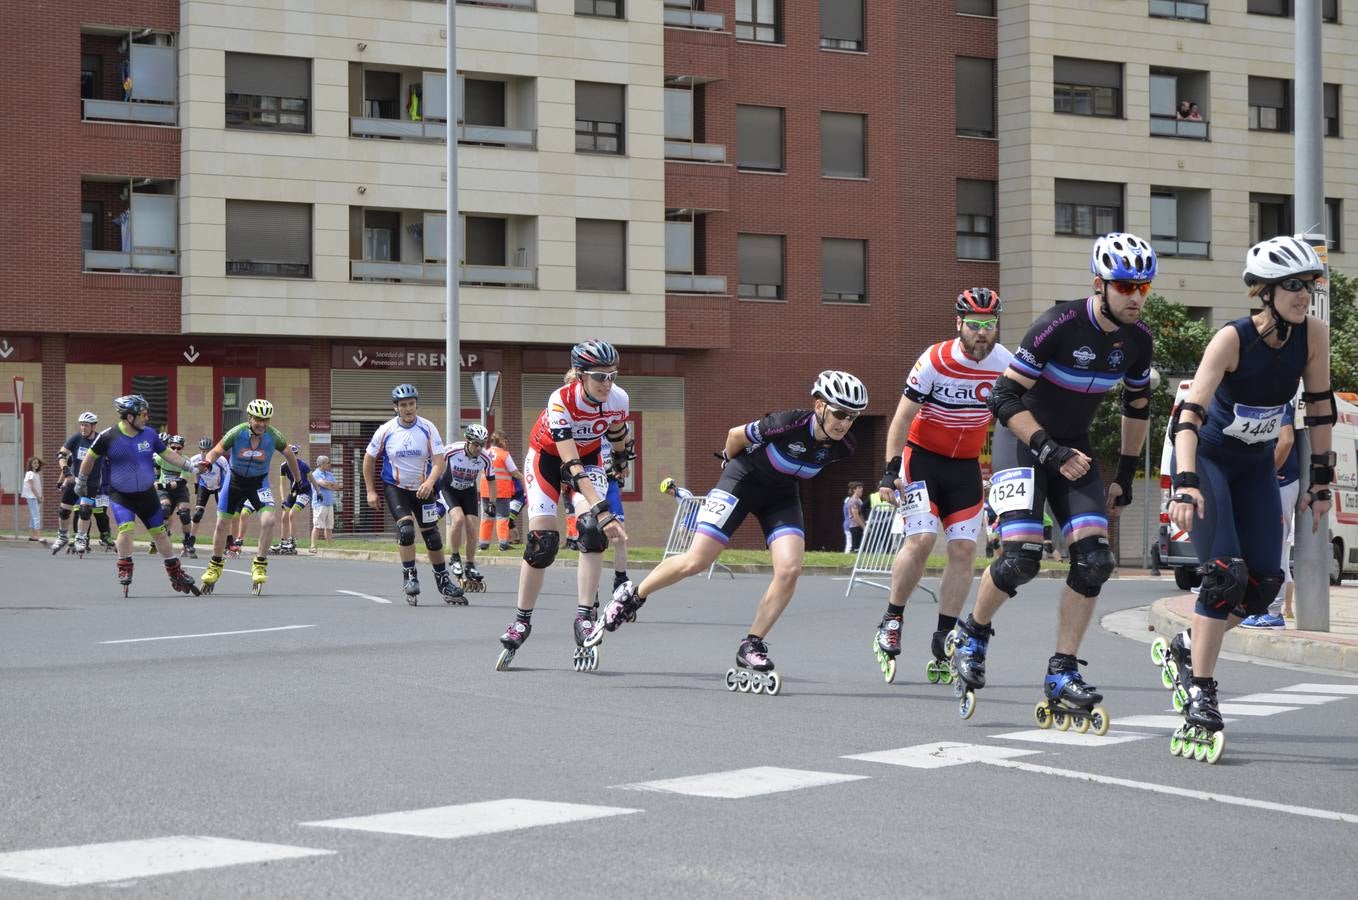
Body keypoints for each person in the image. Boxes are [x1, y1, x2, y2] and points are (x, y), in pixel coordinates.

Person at [953, 232, 1156, 728]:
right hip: (1024, 441)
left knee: (1095, 561)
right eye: (1125, 287)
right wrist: (1047, 447)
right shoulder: (1058, 324)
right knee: (1021, 559)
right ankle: (972, 632)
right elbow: (1001, 398)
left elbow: (1137, 407)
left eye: (1143, 288)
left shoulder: (1138, 341)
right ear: (1099, 284)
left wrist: (1127, 473)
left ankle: (1062, 672)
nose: (1134, 297)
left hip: (1074, 447)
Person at [1160, 236, 1334, 762]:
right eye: (1294, 287)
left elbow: (1320, 408)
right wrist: (1185, 481)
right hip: (1208, 458)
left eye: (1311, 286)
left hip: (1257, 465)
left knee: (1262, 588)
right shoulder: (1231, 340)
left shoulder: (1315, 335)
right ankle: (1201, 694)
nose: (1305, 297)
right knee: (1224, 574)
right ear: (1265, 291)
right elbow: (1187, 415)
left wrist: (1320, 479)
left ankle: (1188, 646)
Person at [592, 371, 868, 694]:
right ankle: (632, 598)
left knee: (791, 569)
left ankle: (751, 645)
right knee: (697, 559)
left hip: (780, 496)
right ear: (819, 405)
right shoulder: (789, 422)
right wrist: (727, 467)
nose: (845, 423)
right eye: (839, 413)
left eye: (852, 416)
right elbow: (735, 436)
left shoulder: (844, 446)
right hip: (742, 480)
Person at [873, 287, 1012, 685]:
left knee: (965, 550)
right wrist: (889, 470)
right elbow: (900, 420)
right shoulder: (934, 360)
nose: (982, 333)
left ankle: (944, 633)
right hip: (922, 460)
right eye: (974, 325)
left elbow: (1017, 418)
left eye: (989, 325)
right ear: (958, 324)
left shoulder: (1005, 364)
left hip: (965, 466)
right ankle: (892, 618)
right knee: (919, 541)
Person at [494, 340, 630, 671]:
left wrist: (625, 457)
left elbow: (617, 431)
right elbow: (570, 467)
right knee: (544, 543)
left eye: (612, 375)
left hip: (590, 458)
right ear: (580, 376)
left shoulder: (618, 398)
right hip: (548, 460)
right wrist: (603, 507)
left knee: (592, 531)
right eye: (600, 376)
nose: (607, 383)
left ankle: (585, 616)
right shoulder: (561, 401)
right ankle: (521, 621)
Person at [75, 395, 200, 596]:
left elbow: (168, 454)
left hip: (147, 494)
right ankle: (125, 564)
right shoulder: (109, 436)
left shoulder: (150, 434)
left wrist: (189, 466)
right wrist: (81, 480)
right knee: (126, 528)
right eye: (143, 414)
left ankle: (175, 571)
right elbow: (90, 456)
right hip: (121, 495)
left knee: (160, 532)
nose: (147, 418)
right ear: (129, 416)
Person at [363, 383, 462, 604]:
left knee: (433, 537)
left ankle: (443, 580)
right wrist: (370, 490)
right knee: (406, 530)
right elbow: (368, 459)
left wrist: (429, 482)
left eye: (412, 404)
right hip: (395, 487)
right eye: (403, 405)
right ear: (395, 408)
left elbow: (439, 460)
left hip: (422, 489)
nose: (408, 409)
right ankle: (409, 576)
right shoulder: (386, 430)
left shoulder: (428, 428)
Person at [197, 399, 302, 594]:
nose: (262, 424)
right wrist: (208, 462)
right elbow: (216, 450)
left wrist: (297, 479)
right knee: (222, 524)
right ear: (250, 418)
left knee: (269, 520)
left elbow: (289, 455)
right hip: (234, 481)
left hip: (258, 483)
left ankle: (260, 563)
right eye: (258, 419)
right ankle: (215, 565)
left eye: (266, 420)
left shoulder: (274, 435)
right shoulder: (237, 432)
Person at [1242, 416, 1298, 629]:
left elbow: (1286, 440)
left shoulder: (1279, 400)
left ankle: (1274, 612)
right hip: (1279, 481)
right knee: (1273, 547)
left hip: (1281, 483)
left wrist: (1268, 472)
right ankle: (1268, 610)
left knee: (1277, 549)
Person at [439, 423, 493, 594]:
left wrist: (491, 503)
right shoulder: (452, 450)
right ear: (467, 441)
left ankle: (469, 564)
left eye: (482, 444)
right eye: (475, 444)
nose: (479, 448)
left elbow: (492, 480)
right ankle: (455, 556)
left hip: (468, 490)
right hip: (449, 489)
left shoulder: (485, 458)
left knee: (472, 526)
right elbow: (434, 464)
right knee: (458, 520)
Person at [51, 411, 100, 552]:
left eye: (86, 425)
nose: (83, 428)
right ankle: (62, 536)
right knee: (63, 511)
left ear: (93, 426)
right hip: (74, 479)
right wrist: (66, 472)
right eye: (81, 425)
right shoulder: (76, 438)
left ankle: (81, 538)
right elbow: (61, 454)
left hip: (91, 482)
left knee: (85, 510)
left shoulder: (100, 440)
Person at [478, 431, 522, 552]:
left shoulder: (485, 453)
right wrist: (525, 479)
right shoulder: (504, 454)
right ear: (501, 441)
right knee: (502, 517)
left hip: (486, 490)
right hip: (501, 491)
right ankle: (503, 544)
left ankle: (483, 544)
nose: (506, 443)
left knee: (486, 517)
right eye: (505, 440)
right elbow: (514, 471)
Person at [152, 435, 194, 557]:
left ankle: (187, 542)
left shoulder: (186, 461)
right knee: (165, 510)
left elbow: (182, 482)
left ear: (183, 448)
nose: (176, 450)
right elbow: (156, 465)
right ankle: (162, 536)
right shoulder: (162, 457)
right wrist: (156, 478)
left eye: (179, 448)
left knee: (185, 514)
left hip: (179, 490)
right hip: (165, 491)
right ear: (168, 447)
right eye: (173, 447)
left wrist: (162, 485)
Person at [601, 434, 634, 592]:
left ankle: (620, 579)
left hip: (610, 482)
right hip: (589, 483)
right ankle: (592, 591)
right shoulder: (584, 421)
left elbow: (628, 442)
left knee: (620, 537)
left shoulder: (614, 423)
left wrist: (623, 462)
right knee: (591, 539)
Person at [188, 436, 229, 558]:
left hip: (219, 486)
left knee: (224, 515)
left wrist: (226, 490)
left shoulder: (220, 460)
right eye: (202, 450)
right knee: (197, 514)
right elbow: (194, 472)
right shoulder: (195, 459)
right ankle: (190, 542)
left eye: (207, 450)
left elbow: (228, 475)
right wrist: (196, 486)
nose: (205, 453)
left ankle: (228, 542)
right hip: (204, 486)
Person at [274, 445, 312, 555]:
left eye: (295, 454)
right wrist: (282, 499)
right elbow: (282, 484)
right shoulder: (284, 466)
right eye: (290, 454)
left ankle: (293, 540)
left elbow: (311, 479)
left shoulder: (302, 465)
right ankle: (283, 541)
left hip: (304, 491)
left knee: (292, 514)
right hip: (294, 492)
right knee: (284, 515)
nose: (292, 456)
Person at [309, 454, 337, 554]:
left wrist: (327, 484)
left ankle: (329, 546)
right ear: (322, 464)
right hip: (319, 504)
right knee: (317, 526)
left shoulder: (330, 474)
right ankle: (312, 546)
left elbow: (336, 486)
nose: (330, 464)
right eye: (328, 462)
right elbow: (322, 484)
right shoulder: (315, 474)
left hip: (329, 504)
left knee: (329, 526)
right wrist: (329, 484)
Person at [22, 456, 43, 541]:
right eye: (34, 463)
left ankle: (32, 536)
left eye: (37, 463)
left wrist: (41, 496)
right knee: (36, 516)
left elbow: (37, 486)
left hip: (36, 497)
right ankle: (38, 536)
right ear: (30, 464)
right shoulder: (30, 473)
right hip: (32, 497)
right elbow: (31, 487)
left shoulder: (36, 474)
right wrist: (38, 497)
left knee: (33, 516)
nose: (36, 464)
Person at [843, 482, 865, 553]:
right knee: (851, 546)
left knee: (853, 545)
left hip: (855, 525)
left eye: (861, 487)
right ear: (854, 490)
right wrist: (864, 526)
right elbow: (855, 516)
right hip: (853, 525)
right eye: (859, 488)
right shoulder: (854, 501)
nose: (861, 489)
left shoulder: (857, 500)